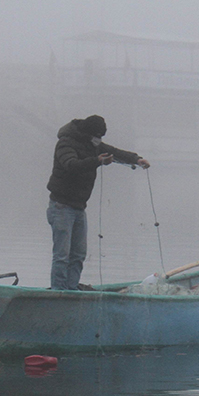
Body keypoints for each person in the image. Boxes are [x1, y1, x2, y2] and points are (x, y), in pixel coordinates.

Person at [46, 115, 149, 290]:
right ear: (88, 133)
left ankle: (71, 290)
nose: (98, 141)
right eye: (96, 136)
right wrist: (97, 161)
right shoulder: (66, 144)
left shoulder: (92, 144)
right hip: (61, 206)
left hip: (79, 208)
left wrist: (136, 159)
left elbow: (115, 152)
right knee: (62, 255)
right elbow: (71, 165)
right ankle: (58, 291)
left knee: (78, 254)